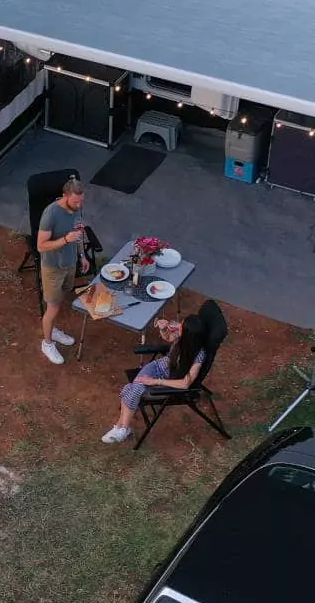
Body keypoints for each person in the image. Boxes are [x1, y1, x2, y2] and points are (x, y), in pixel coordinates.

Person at [102, 313, 207, 443]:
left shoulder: (199, 355)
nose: (179, 326)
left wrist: (155, 381)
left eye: (182, 325)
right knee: (136, 387)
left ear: (189, 333)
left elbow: (185, 384)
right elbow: (168, 337)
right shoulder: (182, 337)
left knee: (131, 388)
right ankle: (122, 428)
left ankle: (121, 428)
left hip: (168, 383)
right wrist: (163, 329)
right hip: (156, 367)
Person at [36, 177, 90, 365]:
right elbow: (41, 246)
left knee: (61, 299)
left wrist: (82, 255)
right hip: (53, 268)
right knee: (53, 306)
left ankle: (54, 330)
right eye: (76, 201)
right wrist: (65, 240)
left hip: (70, 263)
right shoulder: (50, 214)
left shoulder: (76, 209)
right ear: (65, 196)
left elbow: (79, 232)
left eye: (82, 201)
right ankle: (47, 343)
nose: (80, 205)